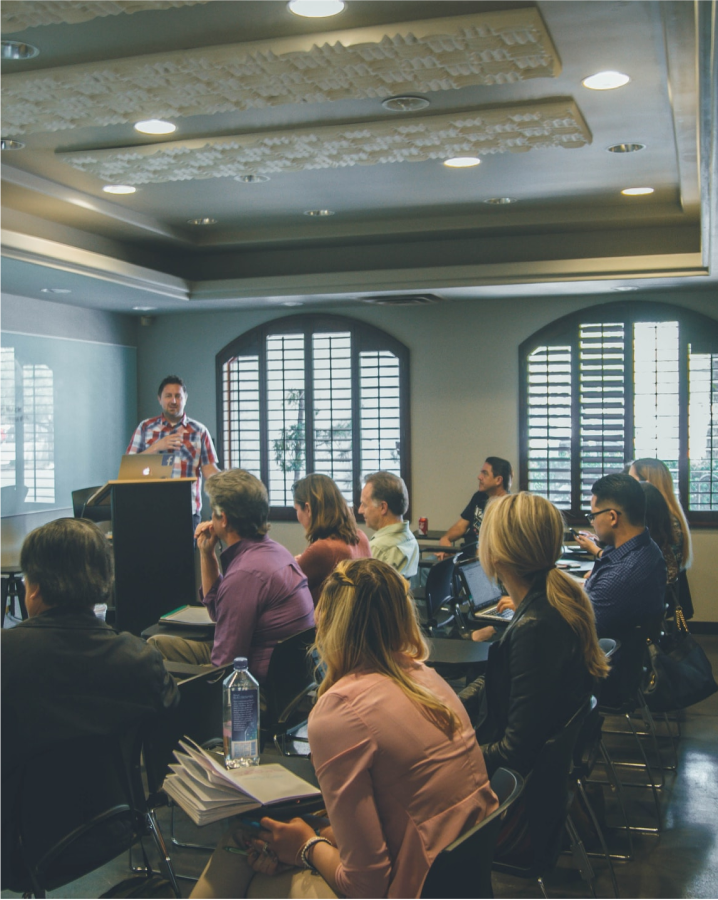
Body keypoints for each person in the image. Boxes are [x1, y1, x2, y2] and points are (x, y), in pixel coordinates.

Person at [190, 558, 498, 900]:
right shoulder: (428, 678)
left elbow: (366, 887)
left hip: (413, 883)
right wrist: (316, 837)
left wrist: (306, 846)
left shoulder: (341, 712)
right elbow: (394, 816)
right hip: (449, 875)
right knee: (255, 839)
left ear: (327, 624)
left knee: (252, 863)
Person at [0, 518, 179, 877]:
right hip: (114, 829)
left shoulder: (7, 657)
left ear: (32, 589)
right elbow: (168, 718)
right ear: (104, 584)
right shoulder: (140, 660)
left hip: (18, 849)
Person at [459, 492, 608, 777]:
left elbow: (514, 752)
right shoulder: (552, 601)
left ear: (497, 554)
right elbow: (501, 677)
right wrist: (451, 705)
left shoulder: (536, 627)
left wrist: (448, 754)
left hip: (512, 791)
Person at [148, 469, 314, 681]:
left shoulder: (246, 574)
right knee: (156, 645)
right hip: (285, 682)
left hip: (253, 690)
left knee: (154, 671)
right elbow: (219, 613)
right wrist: (207, 554)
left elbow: (224, 668)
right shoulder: (275, 551)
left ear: (223, 519)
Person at [576, 473, 666, 639]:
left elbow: (579, 627)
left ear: (612, 517)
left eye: (593, 516)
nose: (592, 522)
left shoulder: (623, 574)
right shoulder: (642, 546)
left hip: (601, 656)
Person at [126, 375, 220, 529]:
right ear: (159, 399)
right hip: (149, 510)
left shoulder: (199, 431)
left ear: (185, 399)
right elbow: (129, 468)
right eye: (168, 396)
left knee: (184, 554)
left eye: (178, 396)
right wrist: (156, 447)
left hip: (187, 511)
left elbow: (209, 470)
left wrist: (231, 486)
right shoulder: (145, 427)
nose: (173, 401)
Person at [293, 473, 371, 604]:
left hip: (328, 623)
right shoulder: (361, 537)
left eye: (296, 509)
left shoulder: (322, 549)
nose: (297, 516)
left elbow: (284, 589)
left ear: (308, 508)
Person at [439, 456, 513, 552]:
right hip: (465, 554)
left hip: (484, 561)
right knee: (431, 564)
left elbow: (500, 548)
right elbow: (461, 526)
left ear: (498, 480)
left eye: (485, 473)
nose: (479, 477)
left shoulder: (509, 506)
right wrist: (446, 539)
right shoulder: (480, 496)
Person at [628, 457, 692, 569]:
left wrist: (597, 550)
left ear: (645, 484)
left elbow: (639, 562)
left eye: (631, 480)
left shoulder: (658, 518)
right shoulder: (672, 514)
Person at [358, 471, 419, 578]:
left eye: (364, 505)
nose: (360, 510)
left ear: (383, 507)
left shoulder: (378, 549)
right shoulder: (410, 539)